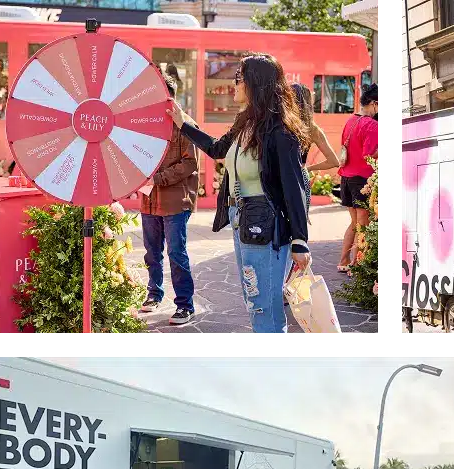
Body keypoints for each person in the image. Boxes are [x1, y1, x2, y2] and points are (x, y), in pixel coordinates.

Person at [165, 53, 310, 335]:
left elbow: (295, 187)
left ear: (255, 84)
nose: (233, 85)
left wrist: (300, 239)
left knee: (264, 304)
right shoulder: (245, 124)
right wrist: (184, 123)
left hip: (265, 222)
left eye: (238, 79)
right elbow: (218, 149)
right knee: (254, 298)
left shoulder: (280, 132)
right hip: (242, 219)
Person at [140, 74, 199, 325]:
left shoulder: (187, 125)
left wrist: (157, 178)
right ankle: (154, 294)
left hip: (176, 200)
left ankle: (185, 305)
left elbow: (190, 164)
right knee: (152, 252)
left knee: (176, 252)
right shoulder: (146, 124)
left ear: (170, 97)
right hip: (149, 199)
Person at [336, 83, 380, 272]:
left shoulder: (351, 120)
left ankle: (344, 261)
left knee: (354, 223)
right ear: (375, 104)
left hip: (345, 177)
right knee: (364, 224)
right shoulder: (372, 124)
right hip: (361, 180)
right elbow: (369, 154)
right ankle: (358, 264)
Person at [290, 82, 340, 223]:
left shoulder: (280, 126)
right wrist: (307, 168)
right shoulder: (313, 129)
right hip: (301, 178)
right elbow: (334, 161)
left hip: (283, 178)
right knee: (299, 225)